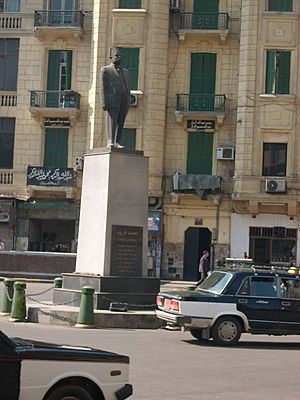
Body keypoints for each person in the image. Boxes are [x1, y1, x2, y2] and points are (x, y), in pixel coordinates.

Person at [100, 47, 131, 148]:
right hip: (112, 100)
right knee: (111, 121)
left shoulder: (126, 72)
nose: (119, 58)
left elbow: (127, 86)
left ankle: (117, 141)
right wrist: (103, 102)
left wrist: (128, 99)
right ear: (111, 57)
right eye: (116, 56)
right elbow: (103, 87)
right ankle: (110, 141)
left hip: (124, 100)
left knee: (121, 121)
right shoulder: (106, 70)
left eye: (120, 56)